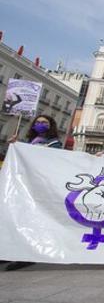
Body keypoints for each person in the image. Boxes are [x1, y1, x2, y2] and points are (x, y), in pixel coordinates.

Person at [5, 115, 62, 271]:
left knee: (30, 220)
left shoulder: (55, 144)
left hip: (37, 187)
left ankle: (26, 254)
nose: (40, 124)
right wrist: (15, 145)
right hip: (22, 185)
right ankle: (8, 250)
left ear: (51, 126)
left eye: (44, 122)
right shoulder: (29, 142)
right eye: (38, 122)